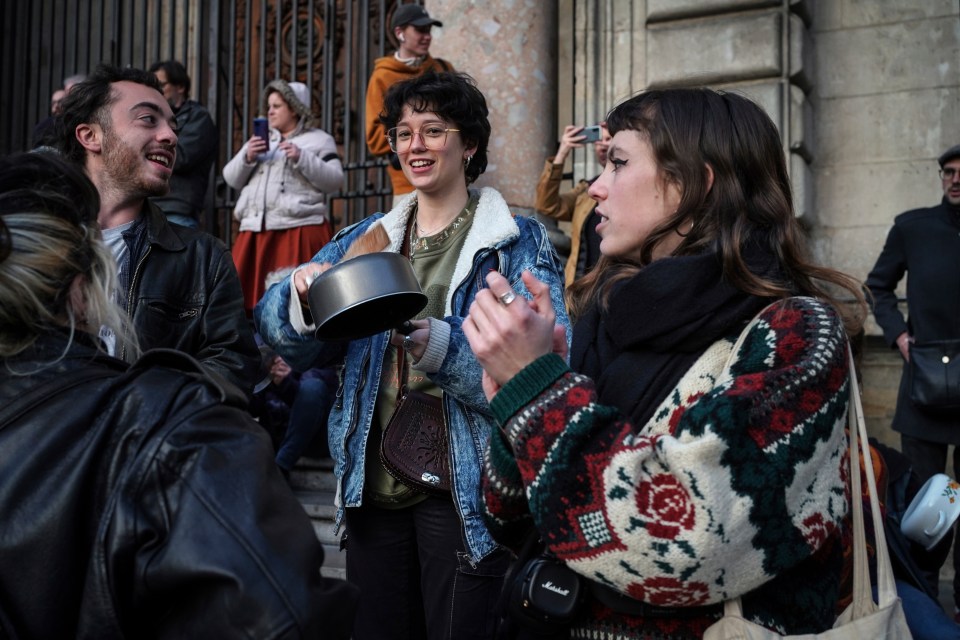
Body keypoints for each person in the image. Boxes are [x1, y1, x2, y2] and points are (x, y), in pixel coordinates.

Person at [464, 88, 869, 638]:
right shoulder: (604, 316)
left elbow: (684, 542)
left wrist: (539, 395)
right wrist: (522, 392)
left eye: (618, 162)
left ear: (696, 184)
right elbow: (511, 521)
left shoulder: (793, 333)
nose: (596, 185)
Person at [256, 71, 570, 640]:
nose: (415, 147)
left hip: (465, 493)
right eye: (403, 134)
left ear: (468, 144)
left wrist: (442, 349)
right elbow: (282, 337)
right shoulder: (368, 235)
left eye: (432, 131)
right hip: (371, 487)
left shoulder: (513, 240)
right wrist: (300, 294)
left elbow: (547, 371)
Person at [0, 150, 358, 639]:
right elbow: (284, 619)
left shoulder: (171, 413)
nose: (168, 135)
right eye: (146, 118)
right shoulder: (174, 427)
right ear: (82, 284)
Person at [56, 63, 260, 396]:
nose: (170, 136)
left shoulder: (204, 260)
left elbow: (231, 370)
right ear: (91, 136)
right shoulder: (29, 246)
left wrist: (145, 416)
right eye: (148, 119)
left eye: (172, 125)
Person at [865, 142, 960, 618]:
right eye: (948, 171)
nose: (955, 179)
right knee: (926, 498)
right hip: (924, 385)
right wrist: (899, 335)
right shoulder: (913, 227)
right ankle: (922, 598)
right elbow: (876, 286)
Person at [223, 79, 344, 314]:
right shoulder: (260, 140)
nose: (269, 111)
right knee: (247, 302)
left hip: (298, 229)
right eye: (269, 106)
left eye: (277, 106)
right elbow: (231, 178)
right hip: (256, 231)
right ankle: (258, 347)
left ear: (295, 108)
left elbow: (335, 180)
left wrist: (302, 157)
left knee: (299, 302)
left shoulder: (319, 140)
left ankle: (290, 348)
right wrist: (247, 156)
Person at [365, 3, 452, 203]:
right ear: (400, 33)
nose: (427, 36)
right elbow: (375, 140)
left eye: (429, 30)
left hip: (450, 179)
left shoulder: (443, 69)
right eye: (420, 30)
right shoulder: (383, 76)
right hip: (408, 184)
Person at [534, 122, 612, 287]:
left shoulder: (632, 187)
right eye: (599, 139)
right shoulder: (587, 190)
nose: (603, 145)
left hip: (614, 283)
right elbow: (547, 205)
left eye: (609, 138)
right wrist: (562, 153)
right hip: (581, 287)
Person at [148, 60, 219, 229]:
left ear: (180, 87)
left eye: (161, 85)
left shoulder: (198, 117)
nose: (155, 92)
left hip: (176, 210)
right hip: (146, 208)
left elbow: (179, 158)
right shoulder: (152, 117)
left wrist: (145, 150)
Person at [31, 73, 85, 149]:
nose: (68, 98)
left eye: (71, 93)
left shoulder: (90, 116)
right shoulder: (47, 127)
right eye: (66, 94)